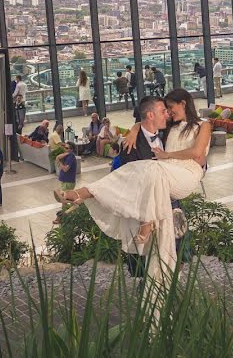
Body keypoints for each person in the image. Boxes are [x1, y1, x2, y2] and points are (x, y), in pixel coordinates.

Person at [53, 88, 211, 286]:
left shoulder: (179, 127)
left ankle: (80, 194)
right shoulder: (136, 143)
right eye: (165, 110)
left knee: (176, 256)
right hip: (144, 204)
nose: (168, 113)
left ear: (183, 104)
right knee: (148, 262)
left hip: (173, 201)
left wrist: (171, 156)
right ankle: (150, 294)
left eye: (170, 108)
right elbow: (123, 178)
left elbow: (197, 153)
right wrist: (135, 130)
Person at [53, 142, 78, 224]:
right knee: (65, 200)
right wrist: (59, 157)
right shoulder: (68, 154)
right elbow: (58, 157)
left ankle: (61, 218)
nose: (65, 149)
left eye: (67, 148)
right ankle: (68, 216)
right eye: (65, 147)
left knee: (64, 200)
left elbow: (65, 169)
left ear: (71, 149)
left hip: (68, 181)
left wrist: (59, 162)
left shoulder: (71, 156)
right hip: (65, 181)